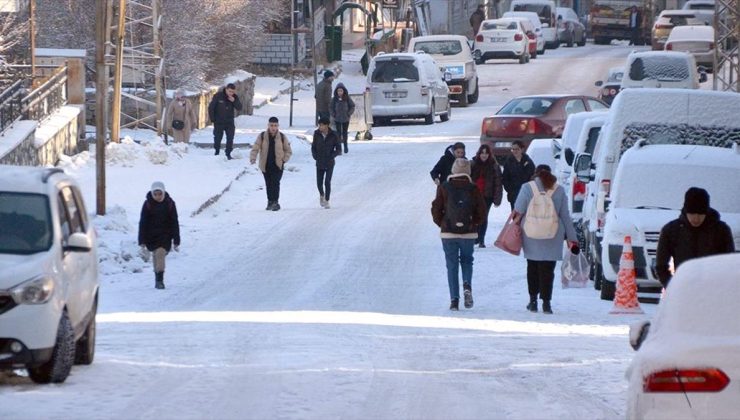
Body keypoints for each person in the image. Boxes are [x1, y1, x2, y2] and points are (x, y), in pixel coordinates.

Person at [513, 165, 578, 314]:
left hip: (531, 233)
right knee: (548, 269)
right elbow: (565, 216)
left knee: (532, 267)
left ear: (536, 175)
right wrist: (572, 238)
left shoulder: (527, 188)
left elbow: (518, 209)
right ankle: (547, 303)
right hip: (553, 234)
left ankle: (533, 300)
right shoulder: (559, 190)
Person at [432, 158, 487, 311]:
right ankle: (467, 283)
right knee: (467, 261)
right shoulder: (473, 188)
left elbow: (436, 209)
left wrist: (442, 223)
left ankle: (454, 300)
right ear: (468, 171)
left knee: (452, 266)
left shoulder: (444, 187)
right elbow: (482, 211)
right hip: (468, 233)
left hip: (448, 233)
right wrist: (474, 223)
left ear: (453, 170)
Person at [656, 187, 735, 288]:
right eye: (692, 213)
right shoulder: (671, 230)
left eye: (701, 214)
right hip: (684, 288)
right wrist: (672, 287)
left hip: (713, 289)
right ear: (686, 211)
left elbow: (729, 263)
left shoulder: (721, 230)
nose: (696, 218)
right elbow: (661, 266)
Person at [138, 181, 180, 290]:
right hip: (151, 236)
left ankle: (160, 280)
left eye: (160, 194)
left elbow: (174, 221)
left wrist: (176, 240)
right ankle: (157, 277)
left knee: (160, 253)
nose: (157, 196)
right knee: (156, 255)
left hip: (165, 236)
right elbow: (143, 222)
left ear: (164, 192)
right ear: (152, 193)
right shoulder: (147, 204)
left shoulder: (170, 203)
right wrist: (141, 240)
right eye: (155, 194)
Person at [250, 117, 293, 211]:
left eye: (275, 125)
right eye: (271, 125)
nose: (273, 128)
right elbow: (256, 147)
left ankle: (275, 202)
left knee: (275, 183)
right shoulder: (262, 136)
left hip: (278, 165)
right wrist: (253, 158)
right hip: (265, 165)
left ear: (278, 126)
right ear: (268, 125)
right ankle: (270, 202)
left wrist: (284, 160)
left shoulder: (282, 137)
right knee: (268, 184)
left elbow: (288, 150)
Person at [471, 144, 503, 247]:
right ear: (479, 154)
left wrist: (497, 199)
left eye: (486, 153)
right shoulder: (473, 164)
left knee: (483, 217)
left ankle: (481, 239)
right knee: (474, 216)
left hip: (487, 196)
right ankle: (475, 237)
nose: (484, 155)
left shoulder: (494, 166)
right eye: (482, 153)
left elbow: (498, 183)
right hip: (474, 196)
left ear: (489, 154)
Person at [311, 117, 342, 209]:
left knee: (327, 181)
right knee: (319, 182)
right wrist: (315, 155)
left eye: (321, 125)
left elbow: (339, 149)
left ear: (327, 125)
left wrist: (332, 155)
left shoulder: (334, 135)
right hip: (319, 161)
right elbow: (313, 146)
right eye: (319, 125)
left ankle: (327, 200)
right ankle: (322, 195)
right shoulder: (316, 134)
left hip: (329, 162)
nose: (320, 127)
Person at [208, 83, 243, 159]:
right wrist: (213, 119)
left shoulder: (234, 97)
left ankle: (228, 153)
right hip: (219, 121)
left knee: (230, 137)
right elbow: (211, 107)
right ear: (226, 89)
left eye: (233, 92)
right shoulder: (218, 96)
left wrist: (234, 101)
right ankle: (217, 152)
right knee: (217, 138)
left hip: (229, 122)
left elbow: (239, 108)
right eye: (230, 91)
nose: (231, 93)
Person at [502, 140, 535, 210]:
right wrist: (509, 189)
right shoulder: (509, 162)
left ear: (522, 149)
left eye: (517, 149)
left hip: (526, 194)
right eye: (513, 149)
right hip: (513, 194)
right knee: (515, 215)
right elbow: (505, 178)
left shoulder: (528, 162)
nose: (515, 151)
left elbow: (532, 176)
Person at [330, 83, 355, 154]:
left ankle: (345, 145)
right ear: (336, 92)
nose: (340, 92)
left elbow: (352, 106)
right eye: (338, 91)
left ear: (344, 91)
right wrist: (333, 114)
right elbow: (331, 107)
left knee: (344, 133)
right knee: (338, 133)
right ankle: (339, 148)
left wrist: (349, 113)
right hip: (337, 118)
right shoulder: (334, 99)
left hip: (345, 118)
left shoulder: (347, 98)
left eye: (341, 91)